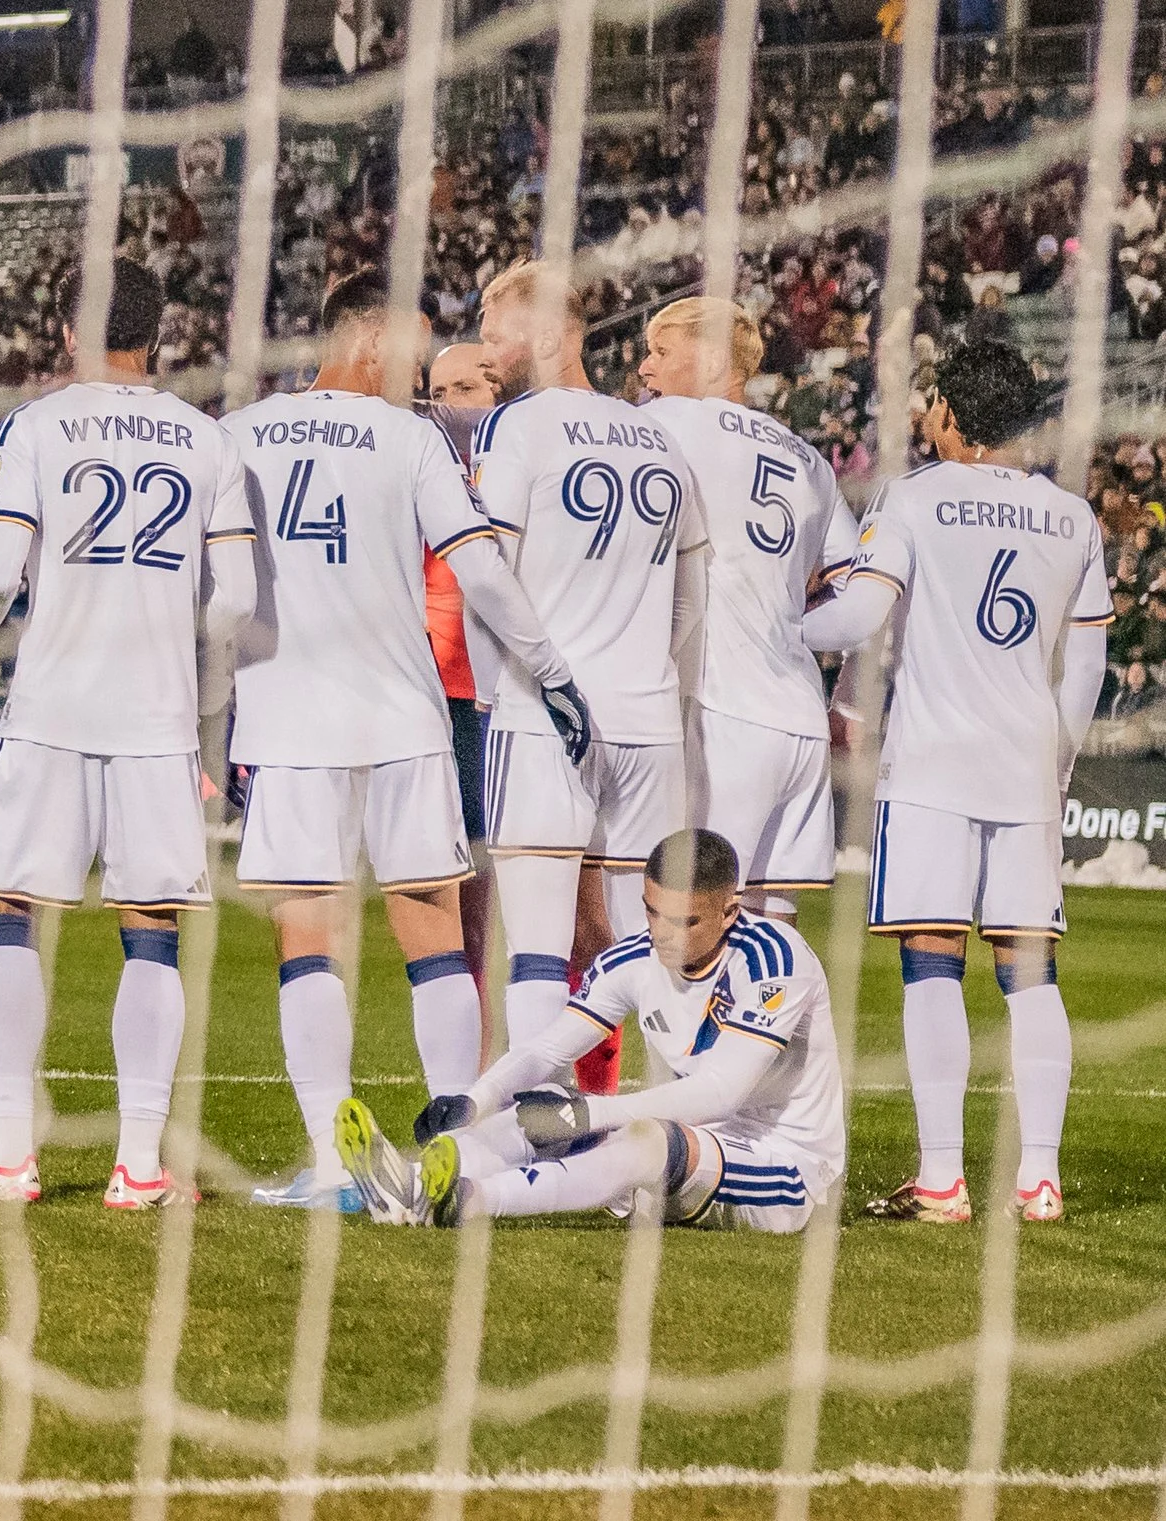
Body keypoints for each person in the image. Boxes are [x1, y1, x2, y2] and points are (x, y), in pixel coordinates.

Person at [221, 271, 589, 1212]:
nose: (423, 368)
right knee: (432, 933)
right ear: (371, 338)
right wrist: (550, 669)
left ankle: (331, 1161)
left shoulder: (244, 432)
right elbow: (482, 571)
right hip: (404, 719)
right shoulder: (412, 438)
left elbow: (211, 588)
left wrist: (205, 717)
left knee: (309, 937)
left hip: (289, 718)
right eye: (417, 348)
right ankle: (454, 1150)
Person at [0, 258, 258, 1209]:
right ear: (154, 336)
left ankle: (9, 1156)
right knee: (150, 929)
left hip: (49, 712)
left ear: (70, 332)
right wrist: (184, 668)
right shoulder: (207, 440)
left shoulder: (35, 426)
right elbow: (234, 597)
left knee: (12, 915)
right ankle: (141, 1167)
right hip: (155, 721)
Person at [802, 340, 1110, 1224]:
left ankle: (943, 1177)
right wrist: (1055, 767)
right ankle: (1039, 1179)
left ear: (950, 416)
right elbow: (1083, 669)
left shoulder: (915, 497)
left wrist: (776, 622)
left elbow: (860, 615)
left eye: (931, 405)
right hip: (1024, 768)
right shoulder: (1072, 517)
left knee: (930, 961)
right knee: (1030, 974)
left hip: (934, 764)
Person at [340, 828, 846, 1233]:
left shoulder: (773, 961)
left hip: (788, 1170)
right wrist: (475, 1099)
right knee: (542, 1105)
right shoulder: (631, 961)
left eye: (683, 921)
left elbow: (721, 1092)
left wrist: (590, 1113)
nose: (661, 933)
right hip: (694, 1144)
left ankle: (470, 1201)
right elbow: (547, 1047)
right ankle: (408, 1188)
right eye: (652, 912)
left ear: (729, 912)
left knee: (645, 1138)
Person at [471, 260, 711, 1083]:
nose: (484, 351)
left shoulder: (517, 427)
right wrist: (658, 680)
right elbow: (692, 598)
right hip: (647, 720)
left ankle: (542, 1143)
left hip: (545, 712)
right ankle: (674, 1145)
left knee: (538, 946)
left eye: (494, 332)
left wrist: (503, 684)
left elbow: (486, 572)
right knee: (651, 950)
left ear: (544, 334)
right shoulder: (659, 435)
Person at [637, 297, 861, 922]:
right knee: (772, 930)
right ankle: (785, 1023)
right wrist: (803, 644)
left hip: (721, 709)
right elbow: (859, 587)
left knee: (693, 923)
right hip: (797, 712)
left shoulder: (671, 422)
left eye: (661, 353)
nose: (644, 371)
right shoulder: (808, 457)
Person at [422, 341, 500, 1042]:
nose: (447, 404)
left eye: (464, 388)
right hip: (444, 700)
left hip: (513, 696)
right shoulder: (423, 467)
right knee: (461, 895)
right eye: (437, 390)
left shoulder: (524, 460)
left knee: (576, 914)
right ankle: (473, 1065)